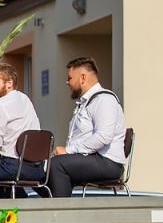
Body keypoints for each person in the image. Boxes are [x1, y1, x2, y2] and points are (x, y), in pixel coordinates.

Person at [48, 57, 127, 197]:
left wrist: (69, 151)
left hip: (107, 162)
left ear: (82, 78)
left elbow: (104, 137)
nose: (67, 82)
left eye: (70, 78)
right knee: (42, 168)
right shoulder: (86, 103)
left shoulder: (104, 100)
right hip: (92, 158)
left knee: (57, 165)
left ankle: (61, 214)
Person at [0, 63, 46, 194]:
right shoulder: (25, 99)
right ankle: (18, 204)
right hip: (35, 168)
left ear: (9, 83)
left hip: (11, 166)